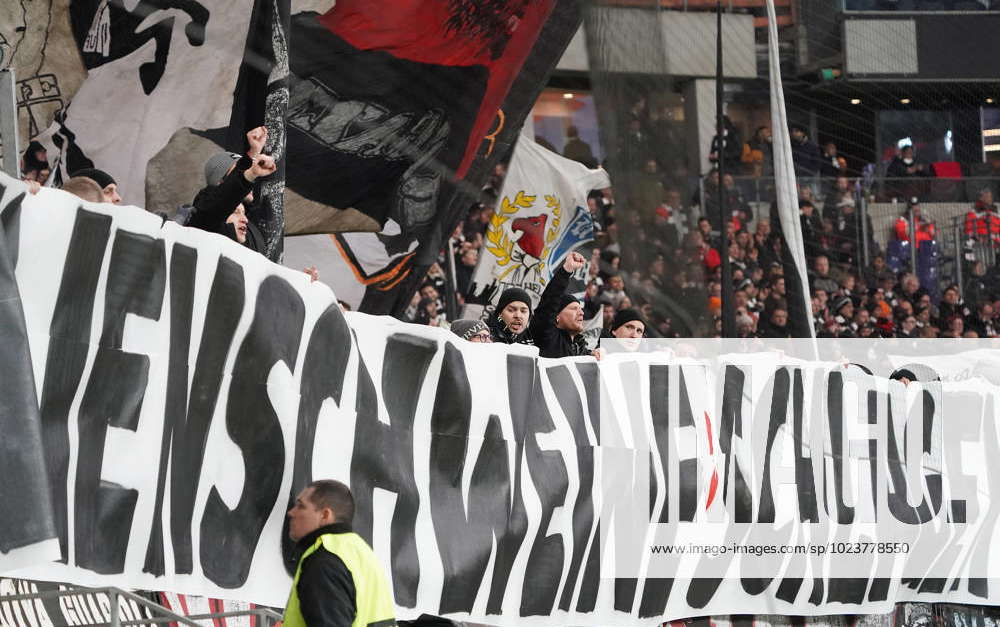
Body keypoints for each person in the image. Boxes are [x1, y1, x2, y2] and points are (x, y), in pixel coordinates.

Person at [284, 480, 396, 627]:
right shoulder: (360, 551)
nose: (291, 512)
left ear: (325, 515)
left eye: (301, 506)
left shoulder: (323, 563)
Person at [189, 126, 276, 254]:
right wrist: (250, 170)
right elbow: (224, 197)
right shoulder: (207, 213)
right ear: (221, 182)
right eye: (236, 212)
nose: (244, 219)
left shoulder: (252, 220)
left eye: (242, 212)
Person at [530, 251, 591, 358]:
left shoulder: (582, 349)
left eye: (580, 309)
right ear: (556, 317)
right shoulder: (548, 337)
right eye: (574, 309)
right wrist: (566, 270)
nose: (581, 313)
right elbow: (549, 302)